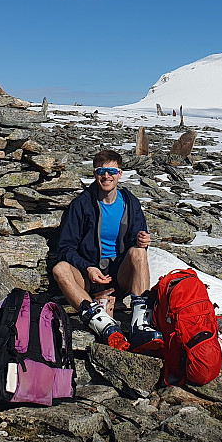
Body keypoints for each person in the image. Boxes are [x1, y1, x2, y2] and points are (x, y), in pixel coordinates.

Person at [52, 149, 162, 351]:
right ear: (95, 174)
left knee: (139, 253)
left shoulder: (130, 203)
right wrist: (88, 268)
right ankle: (103, 323)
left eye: (112, 171)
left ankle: (140, 323)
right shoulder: (81, 205)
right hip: (88, 278)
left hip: (119, 277)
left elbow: (137, 240)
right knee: (60, 269)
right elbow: (65, 248)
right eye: (101, 171)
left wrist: (142, 240)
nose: (106, 176)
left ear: (120, 174)